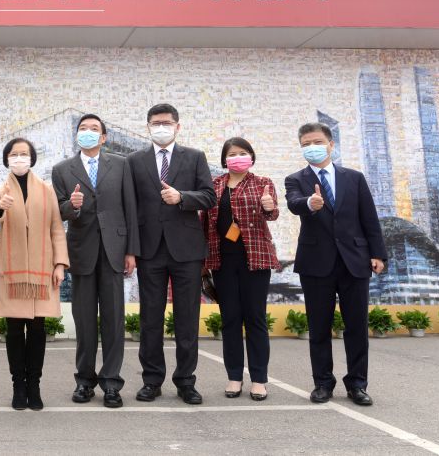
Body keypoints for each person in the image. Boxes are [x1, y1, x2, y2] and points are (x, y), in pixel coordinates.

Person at [285, 122, 386, 406]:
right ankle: (323, 383)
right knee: (319, 328)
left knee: (357, 327)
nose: (312, 147)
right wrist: (310, 203)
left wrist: (378, 254)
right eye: (306, 144)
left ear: (330, 144)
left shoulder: (354, 178)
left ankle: (357, 384)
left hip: (355, 261)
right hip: (316, 263)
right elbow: (294, 203)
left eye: (317, 142)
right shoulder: (295, 179)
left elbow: (369, 218)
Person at [129, 103, 216, 405]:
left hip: (186, 250)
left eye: (166, 123)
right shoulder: (134, 160)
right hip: (149, 250)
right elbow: (130, 205)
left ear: (178, 126)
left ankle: (186, 381)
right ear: (148, 127)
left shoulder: (194, 157)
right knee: (150, 318)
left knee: (187, 318)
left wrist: (182, 197)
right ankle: (151, 380)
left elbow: (209, 196)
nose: (161, 127)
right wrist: (131, 248)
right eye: (156, 123)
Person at [51, 114, 139, 409]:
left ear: (103, 137)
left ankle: (111, 383)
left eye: (94, 129)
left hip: (115, 249)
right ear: (77, 135)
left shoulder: (121, 165)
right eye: (83, 128)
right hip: (82, 251)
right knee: (84, 320)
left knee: (113, 320)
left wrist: (131, 251)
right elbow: (59, 211)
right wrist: (71, 206)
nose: (87, 132)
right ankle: (84, 381)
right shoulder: (62, 169)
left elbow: (130, 207)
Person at [0, 137, 68, 411]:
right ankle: (18, 387)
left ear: (32, 158)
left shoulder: (46, 190)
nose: (19, 158)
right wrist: (1, 206)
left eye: (24, 153)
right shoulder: (0, 190)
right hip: (11, 274)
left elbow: (56, 228)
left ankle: (34, 385)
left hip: (42, 272)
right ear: (6, 159)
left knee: (36, 329)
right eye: (14, 154)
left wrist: (60, 264)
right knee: (13, 330)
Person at [201, 137, 280, 401]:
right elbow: (204, 224)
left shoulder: (262, 183)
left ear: (251, 157)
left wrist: (269, 207)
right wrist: (203, 263)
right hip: (222, 261)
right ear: (225, 159)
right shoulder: (214, 185)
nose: (237, 157)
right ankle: (234, 377)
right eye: (232, 154)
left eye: (243, 153)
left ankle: (259, 379)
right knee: (230, 319)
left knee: (255, 319)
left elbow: (271, 214)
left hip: (255, 259)